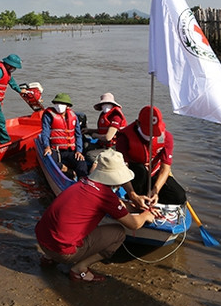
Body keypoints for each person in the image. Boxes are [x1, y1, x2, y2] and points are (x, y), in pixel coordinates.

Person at [35, 149, 159, 282]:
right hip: (62, 252)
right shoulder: (105, 196)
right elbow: (133, 224)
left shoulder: (85, 183)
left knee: (76, 224)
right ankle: (79, 270)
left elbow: (114, 204)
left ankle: (49, 258)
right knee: (118, 233)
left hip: (42, 240)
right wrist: (146, 214)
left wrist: (135, 204)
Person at [114, 105, 187, 209]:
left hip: (154, 174)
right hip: (134, 175)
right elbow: (122, 168)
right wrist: (132, 195)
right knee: (140, 170)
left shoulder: (167, 137)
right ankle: (134, 200)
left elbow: (165, 168)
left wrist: (155, 191)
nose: (151, 136)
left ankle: (151, 200)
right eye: (148, 132)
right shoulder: (124, 137)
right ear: (138, 123)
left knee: (179, 197)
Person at [39, 93, 88, 179]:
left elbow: (78, 135)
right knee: (52, 163)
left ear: (67, 106)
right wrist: (47, 146)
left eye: (62, 104)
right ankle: (67, 170)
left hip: (70, 150)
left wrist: (79, 151)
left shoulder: (73, 116)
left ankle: (82, 182)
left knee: (82, 162)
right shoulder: (48, 115)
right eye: (56, 103)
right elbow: (45, 132)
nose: (59, 106)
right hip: (55, 149)